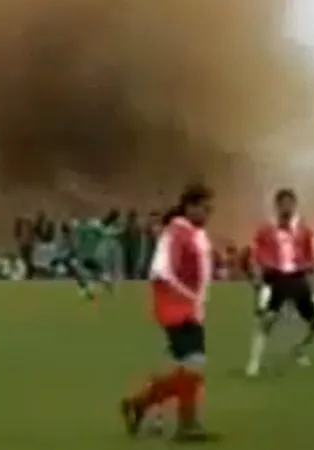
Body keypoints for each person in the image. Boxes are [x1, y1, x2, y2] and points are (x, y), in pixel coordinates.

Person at [121, 183, 217, 442]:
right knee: (194, 364)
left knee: (190, 367)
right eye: (205, 209)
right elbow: (160, 270)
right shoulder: (175, 232)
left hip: (190, 309)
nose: (209, 215)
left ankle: (164, 414)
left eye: (211, 210)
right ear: (190, 207)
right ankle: (153, 409)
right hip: (177, 310)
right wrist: (187, 297)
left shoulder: (195, 233)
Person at [245, 188, 314, 378]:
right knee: (267, 320)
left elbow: (313, 256)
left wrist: (313, 270)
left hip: (298, 277)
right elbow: (255, 254)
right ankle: (253, 363)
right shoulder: (266, 229)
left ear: (295, 205)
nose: (287, 207)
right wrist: (257, 275)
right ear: (277, 205)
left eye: (290, 203)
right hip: (276, 277)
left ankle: (299, 349)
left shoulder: (304, 230)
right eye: (283, 203)